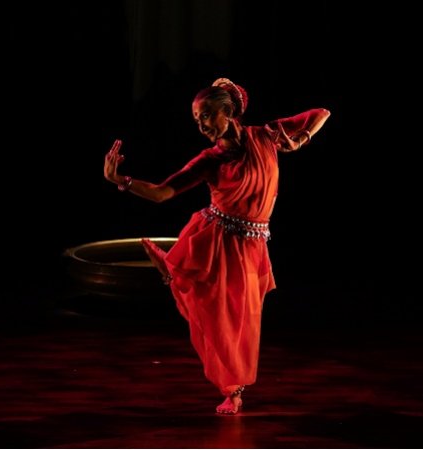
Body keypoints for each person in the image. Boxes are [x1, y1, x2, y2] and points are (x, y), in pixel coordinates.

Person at [104, 77, 331, 415]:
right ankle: (232, 390)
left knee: (247, 320)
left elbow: (321, 113)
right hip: (218, 240)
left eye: (207, 115)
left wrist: (299, 140)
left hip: (253, 244)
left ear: (229, 112)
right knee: (223, 319)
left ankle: (173, 267)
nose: (202, 125)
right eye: (197, 119)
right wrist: (120, 180)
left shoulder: (266, 135)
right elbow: (162, 193)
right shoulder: (210, 160)